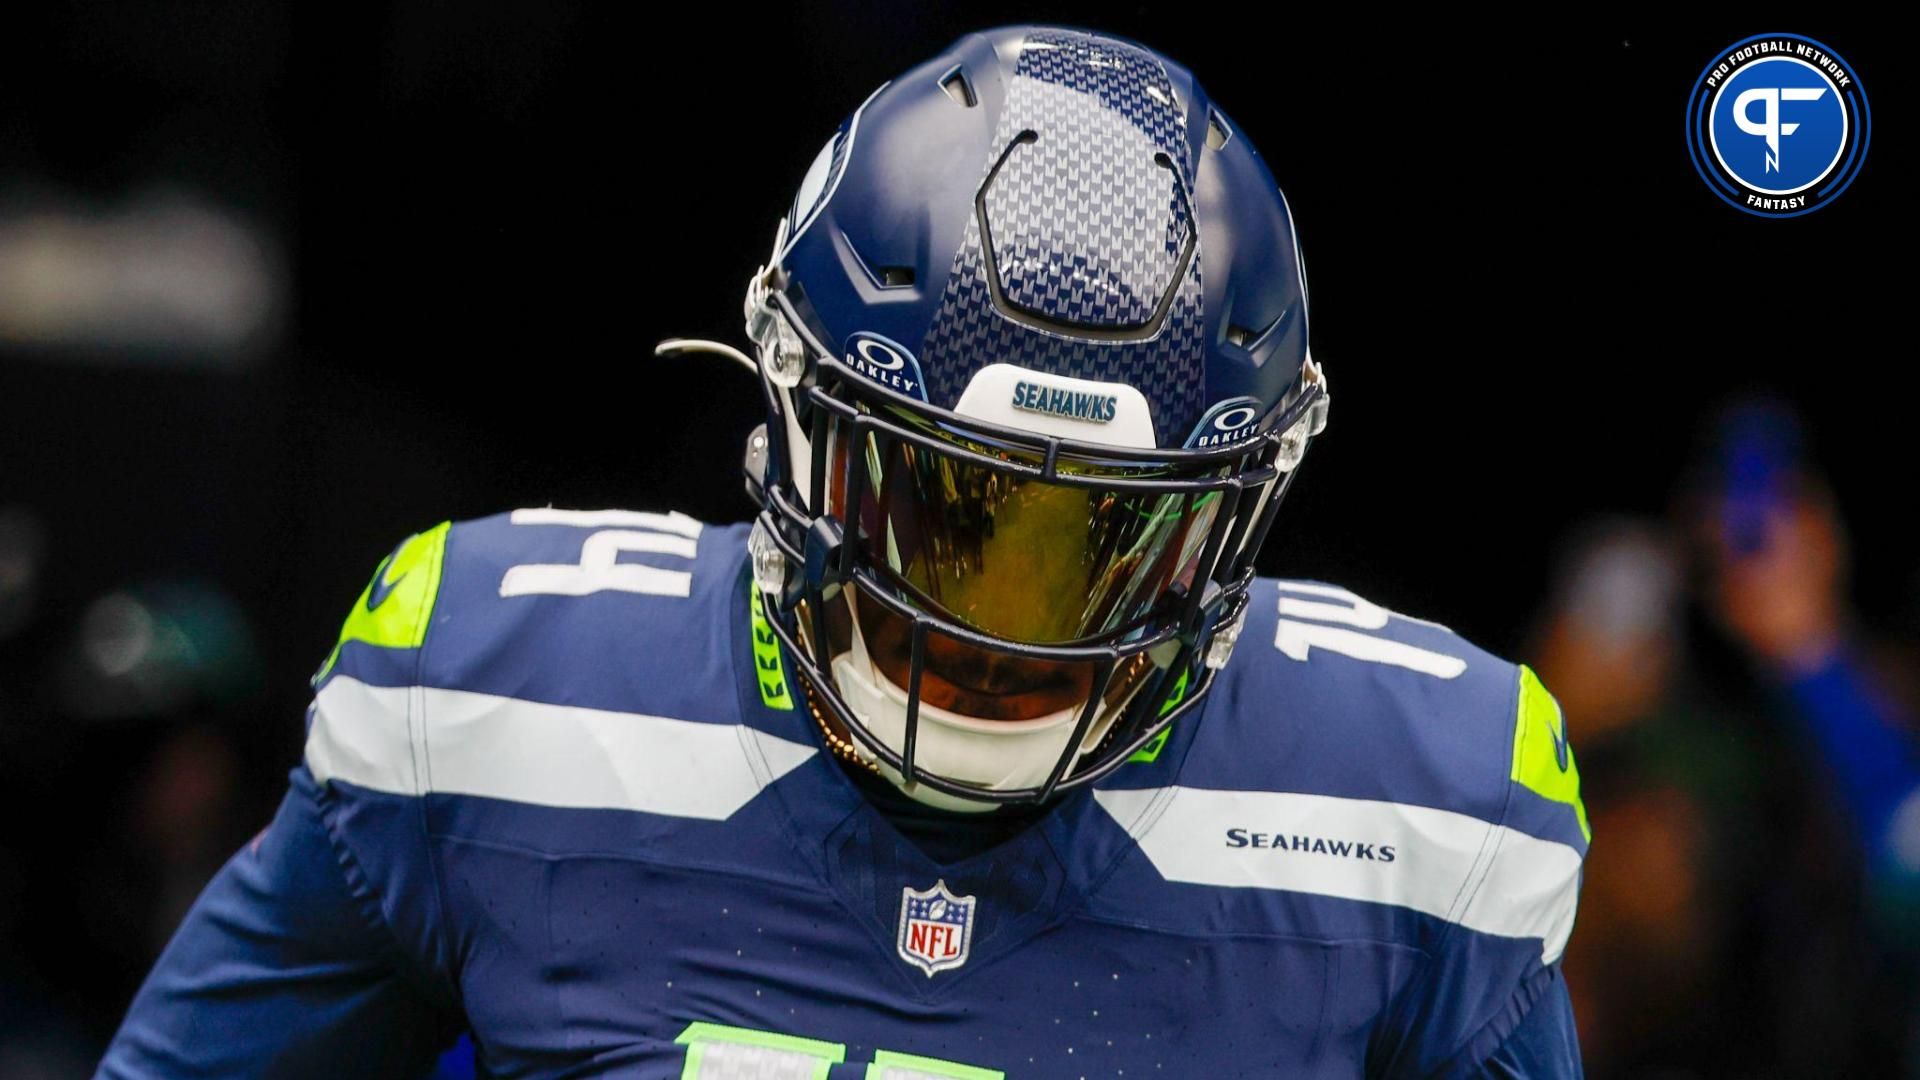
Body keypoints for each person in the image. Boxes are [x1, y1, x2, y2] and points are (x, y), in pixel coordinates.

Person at [98, 26, 1588, 1077]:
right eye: (948, 512)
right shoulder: (497, 711)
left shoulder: (1427, 833)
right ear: (797, 417)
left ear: (1247, 505)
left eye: (1108, 542)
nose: (1009, 633)